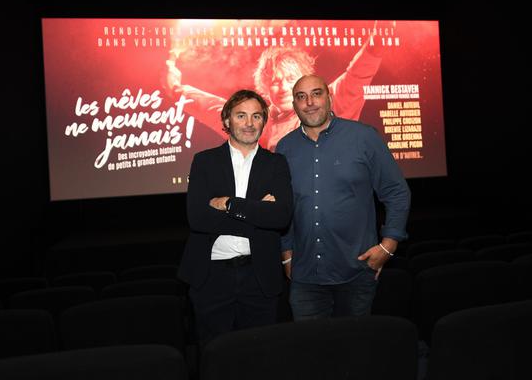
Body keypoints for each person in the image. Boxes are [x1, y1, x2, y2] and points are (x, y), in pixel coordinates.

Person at [275, 74, 410, 320]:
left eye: (316, 93)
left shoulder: (364, 137)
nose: (310, 102)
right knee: (311, 352)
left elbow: (396, 191)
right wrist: (286, 256)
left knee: (354, 351)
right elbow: (284, 207)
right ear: (293, 105)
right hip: (305, 278)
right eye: (301, 97)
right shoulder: (284, 148)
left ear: (330, 97)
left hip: (356, 271)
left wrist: (389, 245)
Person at [177, 89, 293, 345]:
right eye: (241, 116)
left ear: (264, 121)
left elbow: (281, 217)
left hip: (260, 277)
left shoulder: (276, 164)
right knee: (214, 355)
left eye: (256, 116)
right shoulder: (204, 161)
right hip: (211, 277)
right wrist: (257, 212)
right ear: (227, 120)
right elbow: (198, 218)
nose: (249, 123)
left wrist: (229, 204)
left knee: (260, 356)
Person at [163, 27, 383, 151]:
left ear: (304, 80)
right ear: (265, 85)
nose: (281, 86)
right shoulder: (258, 119)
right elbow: (210, 105)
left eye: (288, 78)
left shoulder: (325, 105)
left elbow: (356, 76)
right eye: (273, 80)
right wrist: (176, 89)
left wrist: (377, 42)